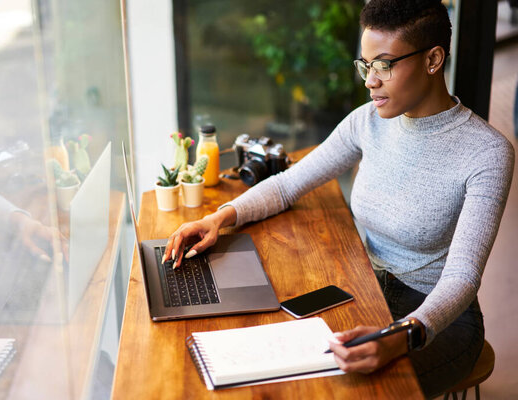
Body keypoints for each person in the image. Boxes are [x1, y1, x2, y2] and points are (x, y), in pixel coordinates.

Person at [163, 0, 515, 397]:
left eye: (384, 64)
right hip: (367, 286)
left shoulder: (486, 152)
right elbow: (287, 184)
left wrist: (403, 335)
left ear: (433, 59)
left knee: (349, 389)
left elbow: (463, 277)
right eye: (365, 65)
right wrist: (220, 217)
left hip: (438, 320)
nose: (370, 81)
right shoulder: (368, 122)